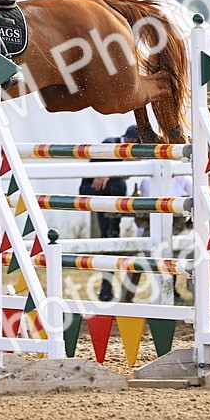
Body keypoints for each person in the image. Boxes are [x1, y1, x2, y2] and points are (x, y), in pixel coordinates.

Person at [80, 125, 136, 301]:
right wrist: (109, 173)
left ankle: (107, 287)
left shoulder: (118, 147)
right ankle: (106, 287)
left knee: (111, 238)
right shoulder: (110, 144)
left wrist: (110, 173)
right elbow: (99, 180)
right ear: (130, 141)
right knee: (108, 239)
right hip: (100, 197)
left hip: (111, 198)